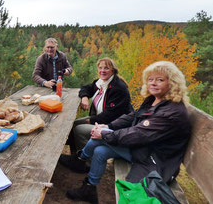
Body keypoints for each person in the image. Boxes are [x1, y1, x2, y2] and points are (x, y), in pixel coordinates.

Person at [63, 61, 191, 203]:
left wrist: (104, 133)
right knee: (100, 151)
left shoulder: (171, 112)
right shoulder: (154, 101)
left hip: (154, 159)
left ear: (172, 83)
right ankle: (89, 188)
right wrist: (107, 126)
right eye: (150, 79)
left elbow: (138, 134)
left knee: (97, 139)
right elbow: (132, 117)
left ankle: (80, 159)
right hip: (143, 148)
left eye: (160, 80)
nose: (153, 83)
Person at [60, 57, 133, 162]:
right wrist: (85, 97)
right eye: (100, 67)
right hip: (101, 118)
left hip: (114, 125)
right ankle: (76, 155)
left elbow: (111, 115)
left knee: (79, 129)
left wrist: (90, 120)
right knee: (73, 124)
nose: (102, 71)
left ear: (113, 70)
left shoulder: (118, 88)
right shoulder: (100, 83)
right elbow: (85, 88)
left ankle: (85, 162)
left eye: (106, 68)